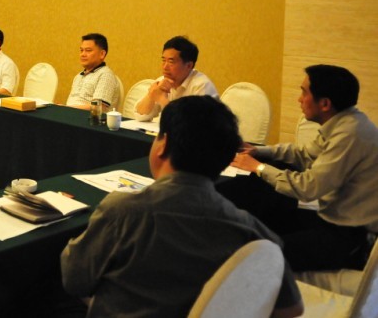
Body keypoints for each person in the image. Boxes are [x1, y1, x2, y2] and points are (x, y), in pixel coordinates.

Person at [61, 96, 303, 318]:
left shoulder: (122, 211)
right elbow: (292, 308)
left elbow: (74, 280)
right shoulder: (252, 232)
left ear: (163, 144)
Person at [229, 64, 378, 272]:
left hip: (351, 235)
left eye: (304, 92)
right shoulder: (344, 122)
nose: (299, 99)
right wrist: (260, 151)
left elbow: (308, 188)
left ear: (325, 103)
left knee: (260, 252)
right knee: (264, 220)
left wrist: (258, 168)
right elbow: (304, 155)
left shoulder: (349, 134)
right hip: (333, 218)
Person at [134, 35, 218, 121]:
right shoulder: (162, 81)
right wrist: (151, 95)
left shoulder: (202, 86)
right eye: (163, 60)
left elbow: (195, 124)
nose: (165, 67)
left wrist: (162, 99)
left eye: (171, 61)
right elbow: (141, 116)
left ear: (189, 65)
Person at [65, 33, 120, 111]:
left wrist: (66, 108)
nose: (83, 54)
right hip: (69, 114)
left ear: (102, 54)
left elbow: (99, 107)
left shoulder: (106, 75)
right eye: (81, 50)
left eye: (88, 50)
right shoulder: (78, 76)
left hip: (90, 117)